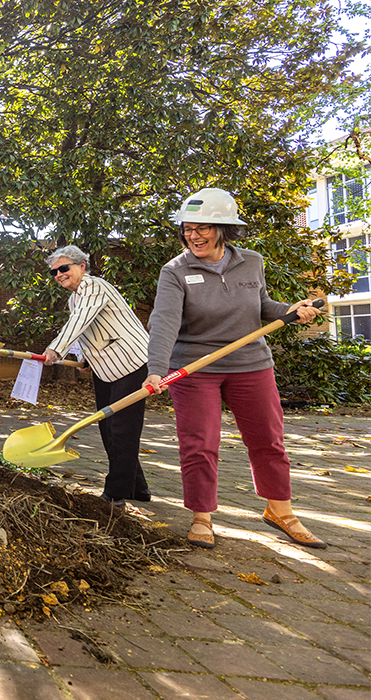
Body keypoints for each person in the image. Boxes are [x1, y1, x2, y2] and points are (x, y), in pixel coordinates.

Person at [145, 188, 323, 550]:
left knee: (268, 440)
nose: (192, 235)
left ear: (224, 229)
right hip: (195, 368)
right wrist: (156, 369)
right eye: (187, 228)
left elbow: (261, 305)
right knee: (199, 444)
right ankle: (201, 517)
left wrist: (292, 309)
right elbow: (164, 322)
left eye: (202, 228)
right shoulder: (175, 271)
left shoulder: (251, 261)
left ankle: (281, 511)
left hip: (250, 364)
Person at [41, 245, 151, 505]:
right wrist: (83, 359)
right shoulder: (74, 298)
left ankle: (116, 493)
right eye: (54, 271)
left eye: (64, 268)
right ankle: (137, 487)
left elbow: (79, 322)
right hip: (106, 368)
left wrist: (55, 349)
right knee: (108, 427)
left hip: (132, 362)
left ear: (81, 266)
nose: (58, 274)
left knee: (122, 427)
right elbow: (86, 331)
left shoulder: (94, 286)